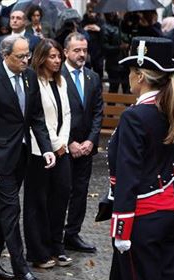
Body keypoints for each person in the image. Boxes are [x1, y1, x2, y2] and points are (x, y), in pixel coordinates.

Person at [108, 36, 174, 280]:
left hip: (141, 219)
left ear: (139, 76)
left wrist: (122, 229)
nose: (128, 78)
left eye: (130, 73)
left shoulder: (135, 117)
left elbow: (128, 175)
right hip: (167, 212)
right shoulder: (168, 108)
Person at [0, 35, 56, 280]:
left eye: (27, 55)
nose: (26, 60)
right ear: (4, 55)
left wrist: (46, 149)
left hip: (20, 155)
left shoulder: (30, 77)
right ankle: (23, 272)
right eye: (20, 56)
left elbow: (36, 118)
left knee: (3, 210)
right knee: (11, 210)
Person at [23, 39, 71, 269]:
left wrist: (62, 143)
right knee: (37, 201)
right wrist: (52, 144)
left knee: (60, 197)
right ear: (41, 58)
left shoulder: (61, 82)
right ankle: (37, 251)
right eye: (52, 56)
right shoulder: (35, 82)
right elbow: (38, 118)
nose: (57, 60)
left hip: (62, 149)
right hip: (38, 150)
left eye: (59, 56)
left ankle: (56, 245)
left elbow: (67, 114)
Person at [61, 32, 103, 253]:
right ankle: (55, 233)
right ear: (66, 51)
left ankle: (72, 234)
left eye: (84, 50)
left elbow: (97, 111)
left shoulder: (92, 77)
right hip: (64, 146)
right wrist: (69, 142)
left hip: (86, 147)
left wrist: (90, 140)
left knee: (80, 191)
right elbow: (55, 113)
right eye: (76, 50)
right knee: (61, 191)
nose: (81, 54)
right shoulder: (57, 76)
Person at [103, 13, 130, 94]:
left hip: (125, 62)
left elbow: (126, 37)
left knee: (127, 89)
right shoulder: (105, 27)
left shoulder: (121, 25)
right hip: (113, 64)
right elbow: (104, 47)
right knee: (113, 88)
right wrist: (119, 47)